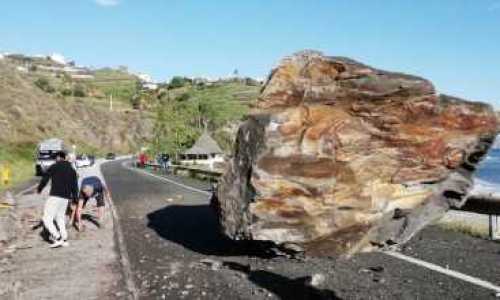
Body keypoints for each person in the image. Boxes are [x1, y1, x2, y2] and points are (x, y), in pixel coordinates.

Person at [37, 151, 78, 248]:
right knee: (60, 218)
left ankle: (57, 238)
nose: (55, 159)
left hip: (55, 196)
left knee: (46, 219)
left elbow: (45, 178)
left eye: (55, 157)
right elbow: (75, 186)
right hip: (65, 198)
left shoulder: (55, 166)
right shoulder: (72, 170)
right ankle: (64, 239)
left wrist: (39, 189)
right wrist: (75, 199)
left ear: (59, 157)